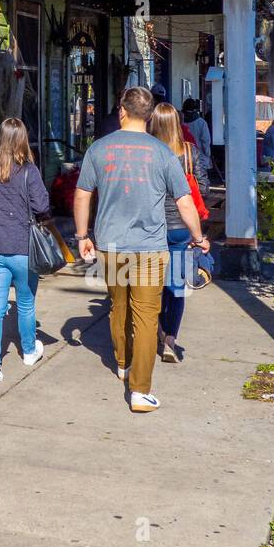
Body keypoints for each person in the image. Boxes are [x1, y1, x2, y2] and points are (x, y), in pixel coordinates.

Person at [72, 86, 209, 414]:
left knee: (118, 306)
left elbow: (81, 195)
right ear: (149, 117)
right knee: (147, 316)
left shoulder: (99, 149)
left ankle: (122, 361)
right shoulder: (162, 153)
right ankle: (140, 390)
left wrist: (81, 236)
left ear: (122, 111)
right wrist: (198, 235)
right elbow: (185, 200)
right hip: (149, 248)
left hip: (112, 246)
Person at [0, 116, 50, 383]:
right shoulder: (29, 170)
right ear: (23, 140)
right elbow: (42, 206)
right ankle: (29, 351)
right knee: (26, 303)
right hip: (22, 248)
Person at [149, 102, 209, 363]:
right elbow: (204, 187)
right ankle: (170, 338)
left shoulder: (148, 154)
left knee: (153, 286)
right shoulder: (189, 151)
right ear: (177, 123)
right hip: (181, 230)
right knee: (176, 287)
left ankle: (158, 331)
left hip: (153, 228)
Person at [181, 97, 212, 167]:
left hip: (183, 157)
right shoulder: (201, 122)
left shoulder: (180, 122)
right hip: (200, 158)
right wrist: (207, 154)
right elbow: (206, 141)